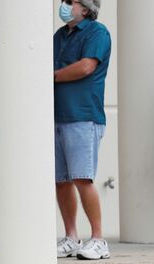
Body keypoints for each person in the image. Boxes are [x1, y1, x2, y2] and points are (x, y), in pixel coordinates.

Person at [54, 0, 111, 260]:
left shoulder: (97, 32)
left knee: (82, 178)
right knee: (62, 181)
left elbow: (86, 66)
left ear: (85, 9)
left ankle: (99, 239)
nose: (64, 5)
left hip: (83, 116)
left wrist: (52, 75)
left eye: (71, 2)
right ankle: (71, 237)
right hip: (56, 116)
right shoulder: (59, 35)